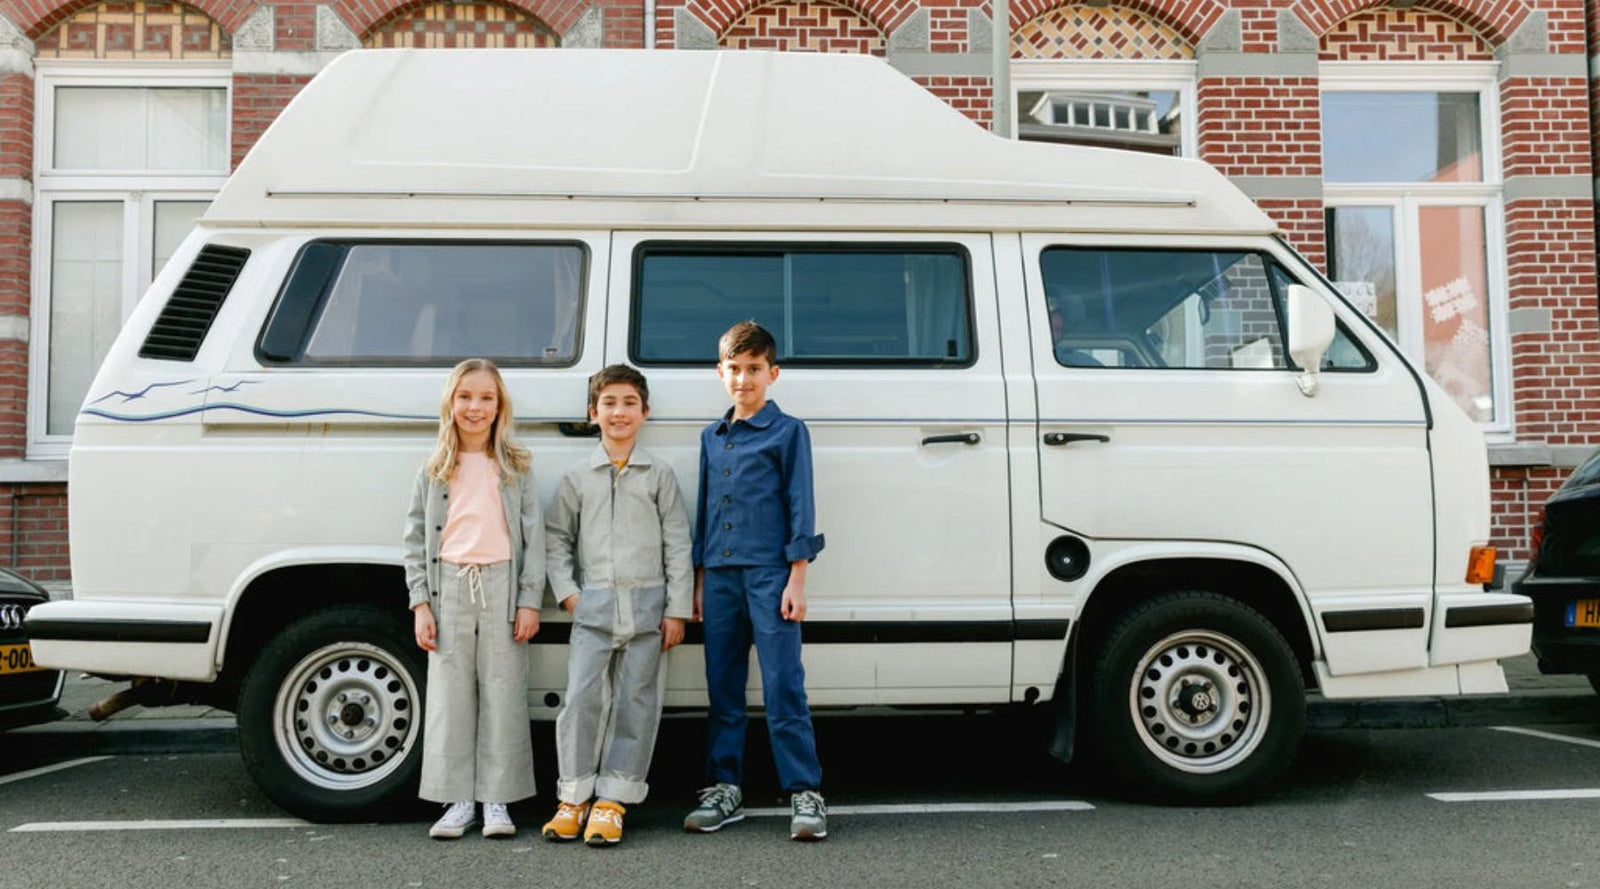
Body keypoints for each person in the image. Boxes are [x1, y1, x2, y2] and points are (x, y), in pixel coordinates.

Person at [683, 321, 828, 842]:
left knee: (783, 684)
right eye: (734, 370)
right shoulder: (711, 437)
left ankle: (804, 790)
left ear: (772, 373)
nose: (743, 379)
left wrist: (797, 580)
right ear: (720, 373)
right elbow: (703, 511)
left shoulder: (789, 432)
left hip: (771, 577)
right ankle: (725, 787)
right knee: (723, 688)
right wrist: (699, 581)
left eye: (753, 370)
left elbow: (799, 506)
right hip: (719, 578)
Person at [541, 364, 692, 846]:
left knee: (636, 702)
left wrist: (677, 609)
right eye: (609, 403)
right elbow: (556, 538)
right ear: (593, 413)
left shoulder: (658, 475)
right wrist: (568, 592)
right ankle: (574, 795)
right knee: (583, 700)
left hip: (649, 609)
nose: (619, 412)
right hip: (593, 609)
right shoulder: (577, 477)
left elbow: (678, 545)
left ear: (645, 412)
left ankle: (613, 799)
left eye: (629, 403)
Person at [403, 358, 543, 839]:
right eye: (465, 397)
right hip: (450, 587)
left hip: (501, 585)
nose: (475, 407)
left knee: (502, 692)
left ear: (499, 405)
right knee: (451, 696)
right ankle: (457, 799)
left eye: (486, 397)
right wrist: (421, 602)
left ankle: (496, 800)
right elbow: (414, 536)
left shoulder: (515, 467)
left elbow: (534, 538)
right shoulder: (435, 468)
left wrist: (529, 600)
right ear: (451, 403)